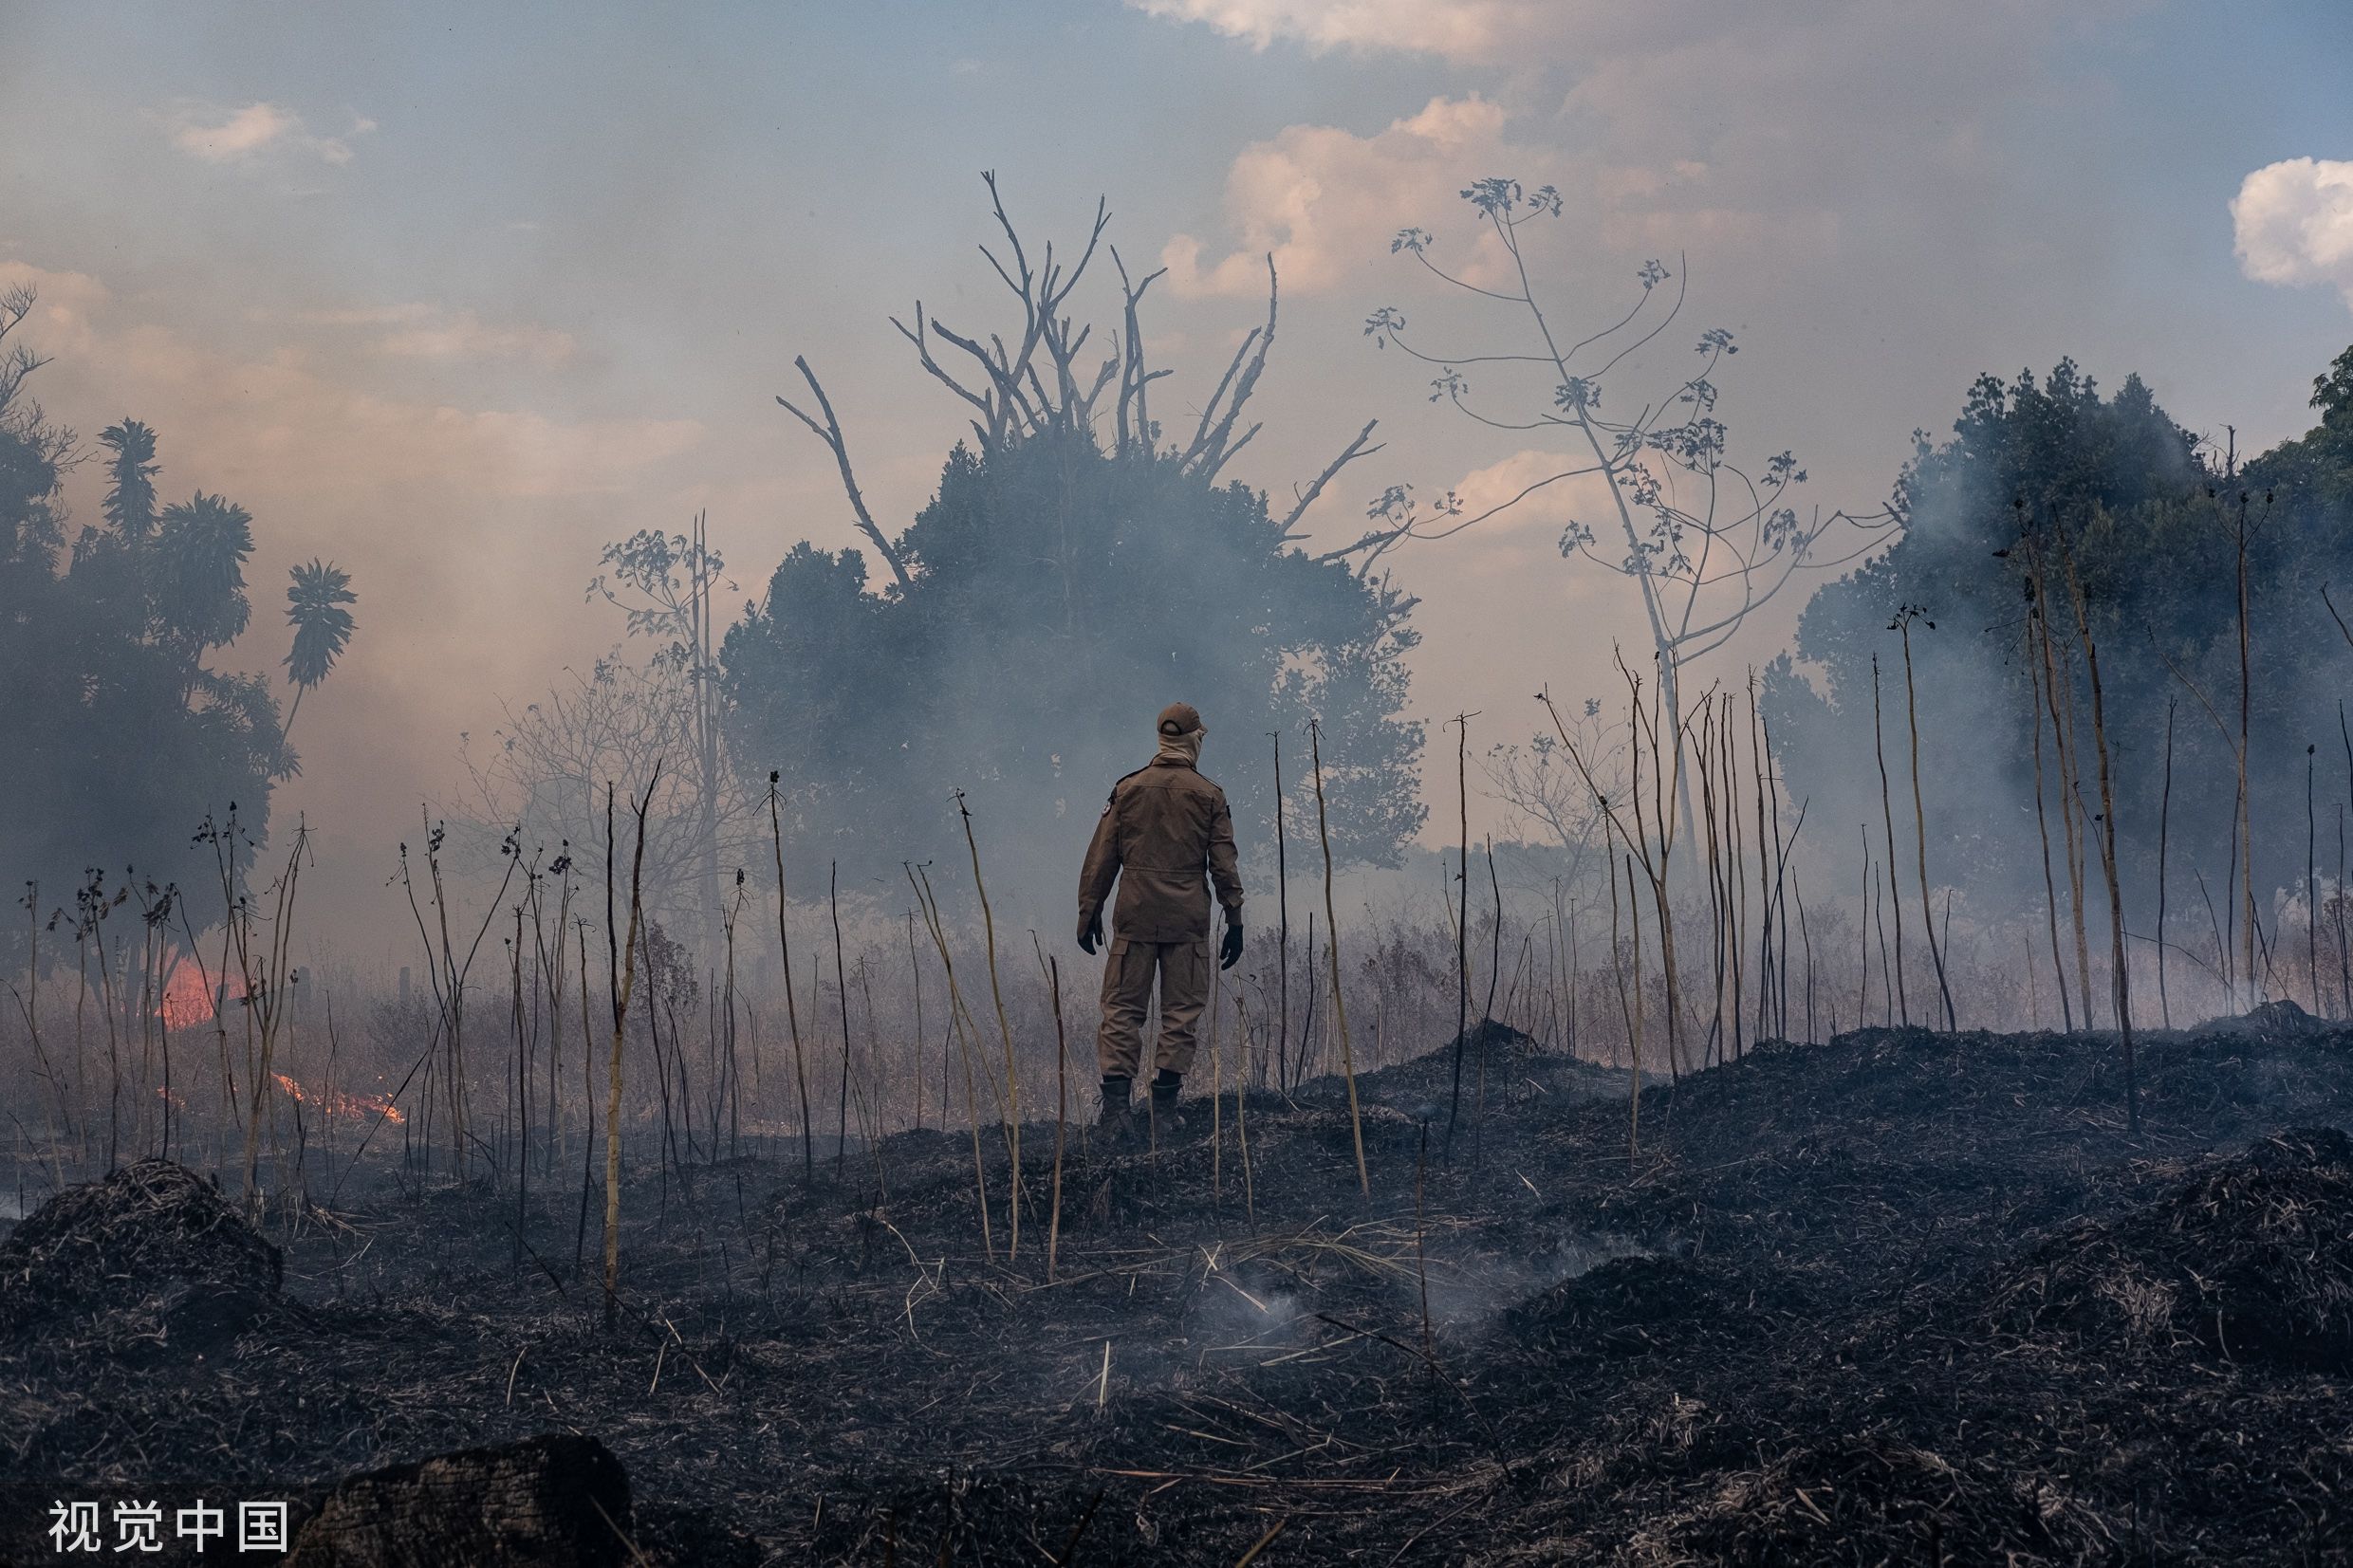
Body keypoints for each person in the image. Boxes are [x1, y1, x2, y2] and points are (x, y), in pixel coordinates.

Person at [1077, 702, 1244, 1140]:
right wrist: (1236, 917)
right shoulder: (1209, 795)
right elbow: (1224, 865)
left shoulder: (1128, 789)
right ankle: (1164, 1112)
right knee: (1180, 1013)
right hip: (1186, 921)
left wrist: (1088, 910)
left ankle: (1115, 1115)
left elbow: (1101, 858)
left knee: (1121, 1009)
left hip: (1133, 917)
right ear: (1194, 739)